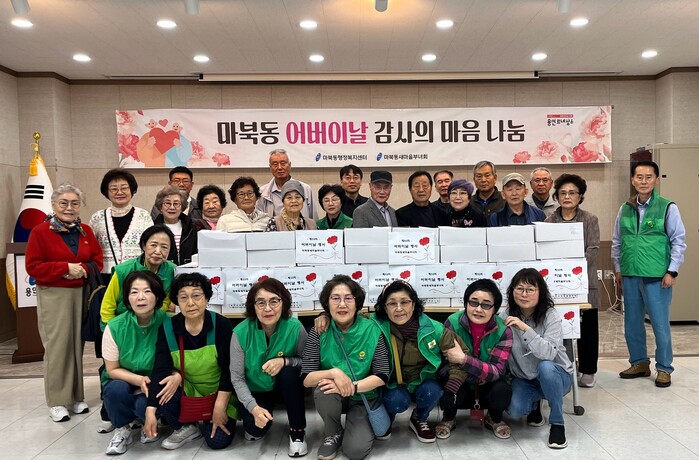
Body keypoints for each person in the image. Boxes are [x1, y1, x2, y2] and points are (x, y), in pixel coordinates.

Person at [26, 183, 103, 422]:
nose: (69, 208)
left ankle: (76, 396)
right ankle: (57, 401)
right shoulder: (40, 231)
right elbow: (33, 266)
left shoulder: (86, 231)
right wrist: (64, 269)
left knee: (77, 346)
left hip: (81, 293)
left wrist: (82, 269)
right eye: (64, 203)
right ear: (54, 205)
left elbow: (97, 261)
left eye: (74, 203)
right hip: (54, 294)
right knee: (58, 347)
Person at [612, 160, 686, 388]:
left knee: (660, 325)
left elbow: (678, 241)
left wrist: (672, 271)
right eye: (639, 177)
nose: (643, 181)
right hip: (630, 274)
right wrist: (618, 269)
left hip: (657, 276)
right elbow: (617, 241)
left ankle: (664, 368)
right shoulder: (624, 208)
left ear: (656, 180)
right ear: (633, 180)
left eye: (648, 177)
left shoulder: (667, 207)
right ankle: (639, 363)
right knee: (632, 323)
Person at [144, 273, 238, 450]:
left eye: (196, 295)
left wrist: (220, 406)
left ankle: (213, 415)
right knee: (164, 386)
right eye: (183, 297)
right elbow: (160, 370)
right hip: (187, 390)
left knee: (217, 442)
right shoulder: (168, 328)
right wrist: (150, 410)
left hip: (219, 392)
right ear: (176, 301)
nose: (190, 303)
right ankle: (186, 427)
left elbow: (229, 369)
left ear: (207, 298)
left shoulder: (221, 324)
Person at [302, 275, 389, 460]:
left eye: (348, 298)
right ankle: (333, 432)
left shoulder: (372, 330)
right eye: (335, 298)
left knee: (355, 451)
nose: (342, 304)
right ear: (327, 304)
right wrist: (333, 373)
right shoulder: (319, 330)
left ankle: (357, 424)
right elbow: (307, 379)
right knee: (323, 388)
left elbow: (382, 375)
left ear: (357, 303)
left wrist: (352, 387)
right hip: (332, 394)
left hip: (363, 396)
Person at [372, 280, 466, 443]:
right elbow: (349, 318)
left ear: (414, 304)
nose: (399, 308)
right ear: (385, 308)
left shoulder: (434, 329)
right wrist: (326, 316)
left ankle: (419, 417)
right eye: (392, 303)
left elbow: (460, 357)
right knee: (395, 401)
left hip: (423, 381)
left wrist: (451, 389)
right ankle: (388, 416)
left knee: (433, 391)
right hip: (393, 383)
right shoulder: (375, 325)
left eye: (405, 302)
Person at [230, 278, 309, 457]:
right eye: (261, 302)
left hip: (285, 387)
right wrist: (253, 408)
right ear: (253, 306)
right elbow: (237, 378)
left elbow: (308, 362)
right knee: (255, 430)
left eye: (274, 301)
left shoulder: (295, 327)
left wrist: (285, 361)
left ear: (283, 303)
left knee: (289, 373)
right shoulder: (240, 333)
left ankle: (297, 431)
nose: (267, 308)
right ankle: (261, 413)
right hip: (256, 389)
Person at [500, 268, 573, 449]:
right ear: (512, 291)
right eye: (519, 289)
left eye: (530, 289)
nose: (524, 294)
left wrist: (525, 329)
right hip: (524, 377)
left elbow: (548, 353)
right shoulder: (505, 316)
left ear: (540, 292)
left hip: (556, 376)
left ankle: (557, 423)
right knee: (515, 410)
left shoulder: (550, 315)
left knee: (546, 367)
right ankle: (535, 404)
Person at [101, 271, 169, 454]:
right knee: (115, 390)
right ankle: (122, 428)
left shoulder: (168, 323)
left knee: (143, 405)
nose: (140, 297)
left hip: (155, 382)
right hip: (124, 380)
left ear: (157, 296)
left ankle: (148, 421)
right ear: (127, 297)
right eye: (134, 292)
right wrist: (139, 380)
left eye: (147, 291)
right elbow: (112, 369)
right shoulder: (115, 326)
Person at [437, 279, 513, 440]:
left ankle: (494, 418)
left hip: (489, 384)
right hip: (461, 380)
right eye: (473, 302)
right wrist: (479, 373)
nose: (478, 309)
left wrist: (464, 360)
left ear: (495, 309)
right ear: (466, 303)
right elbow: (448, 362)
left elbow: (497, 371)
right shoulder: (452, 323)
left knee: (502, 390)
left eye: (486, 305)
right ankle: (449, 417)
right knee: (449, 383)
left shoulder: (504, 331)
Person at [546, 174, 600, 387]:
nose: (567, 197)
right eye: (563, 193)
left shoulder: (590, 219)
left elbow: (593, 249)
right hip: (557, 282)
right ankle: (564, 366)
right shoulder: (549, 221)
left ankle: (588, 369)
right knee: (561, 326)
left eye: (572, 193)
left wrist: (572, 269)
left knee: (588, 328)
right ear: (556, 196)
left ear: (580, 196)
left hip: (584, 281)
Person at [100, 225, 177, 328]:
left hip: (155, 325)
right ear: (144, 246)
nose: (158, 251)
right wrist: (111, 330)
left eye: (164, 247)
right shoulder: (123, 271)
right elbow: (107, 306)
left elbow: (165, 303)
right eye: (153, 245)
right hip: (123, 325)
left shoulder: (172, 271)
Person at [89, 168, 153, 283]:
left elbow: (151, 245)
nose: (119, 192)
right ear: (107, 192)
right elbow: (90, 248)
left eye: (124, 188)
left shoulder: (144, 216)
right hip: (106, 277)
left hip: (137, 276)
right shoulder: (97, 218)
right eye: (114, 189)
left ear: (132, 190)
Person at [257, 148, 316, 219]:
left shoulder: (305, 189)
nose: (279, 167)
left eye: (283, 163)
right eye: (275, 164)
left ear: (290, 165)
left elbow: (313, 220)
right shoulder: (262, 193)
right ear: (270, 167)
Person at [153, 185, 198, 265]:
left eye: (176, 204)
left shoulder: (192, 227)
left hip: (189, 270)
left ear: (182, 207)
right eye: (167, 203)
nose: (172, 207)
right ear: (160, 207)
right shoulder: (153, 228)